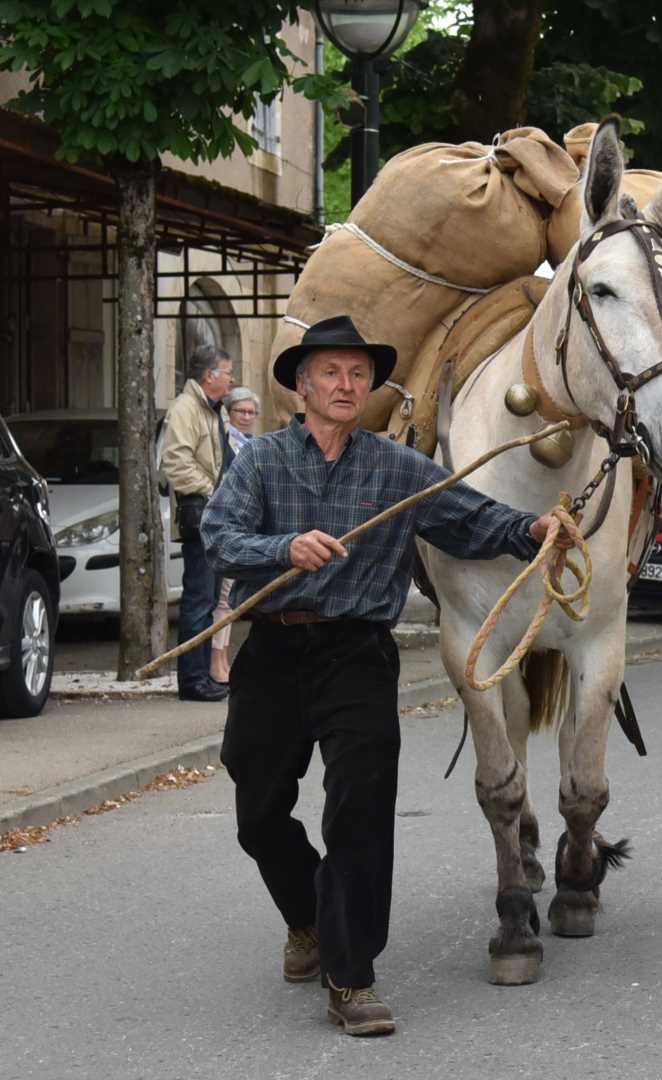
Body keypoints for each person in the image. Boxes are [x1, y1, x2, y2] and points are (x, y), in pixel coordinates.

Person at [202, 315, 574, 1038]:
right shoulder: (260, 463)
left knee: (360, 814)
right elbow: (221, 538)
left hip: (358, 656)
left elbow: (472, 517)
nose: (347, 386)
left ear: (370, 389)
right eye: (331, 374)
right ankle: (308, 916)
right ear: (302, 388)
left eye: (358, 375)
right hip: (274, 651)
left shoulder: (399, 468)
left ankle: (351, 977)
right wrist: (285, 549)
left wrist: (531, 530)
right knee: (258, 814)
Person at [161, 343, 234, 702]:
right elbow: (176, 463)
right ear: (210, 376)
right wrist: (214, 493)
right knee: (198, 601)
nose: (232, 380)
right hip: (202, 517)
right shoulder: (186, 409)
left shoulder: (209, 410)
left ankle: (202, 675)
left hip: (213, 519)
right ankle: (192, 682)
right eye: (228, 373)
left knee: (206, 602)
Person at [208, 387, 261, 685]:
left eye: (251, 412)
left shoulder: (254, 445)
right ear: (229, 413)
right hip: (226, 526)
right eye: (240, 411)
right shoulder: (223, 442)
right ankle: (217, 661)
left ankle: (224, 657)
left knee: (231, 600)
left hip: (247, 528)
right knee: (223, 598)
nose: (246, 417)